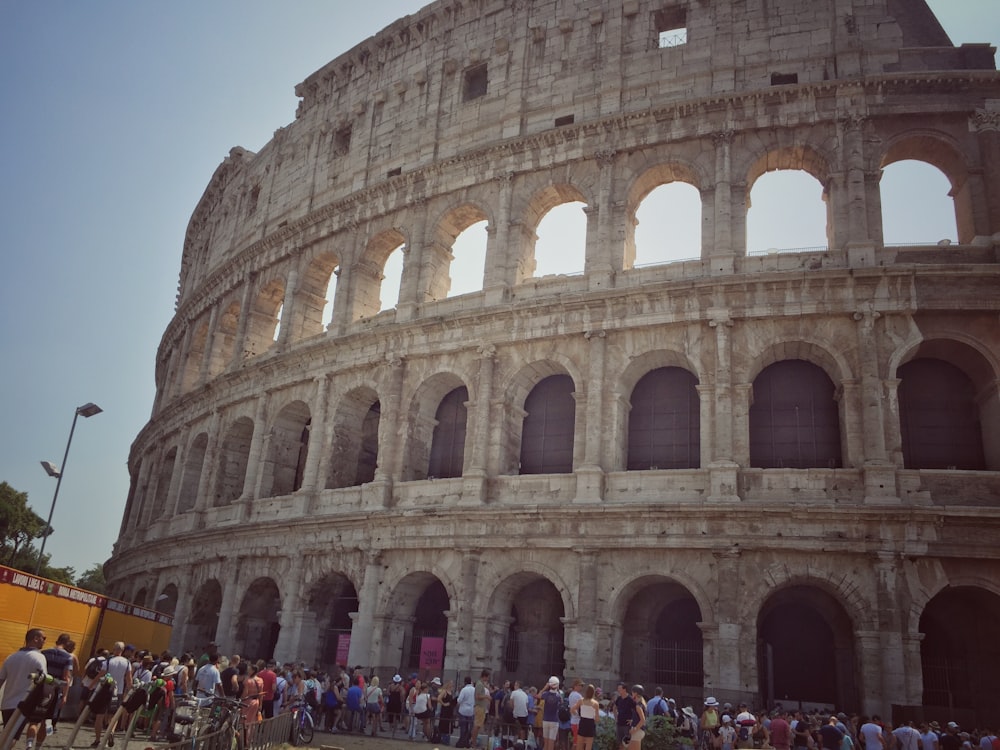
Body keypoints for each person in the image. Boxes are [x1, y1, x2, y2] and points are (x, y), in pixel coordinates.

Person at [0, 628, 50, 750]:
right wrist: (48, 695)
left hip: (7, 702)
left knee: (6, 734)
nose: (44, 641)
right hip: (24, 703)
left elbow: (1, 679)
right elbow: (44, 678)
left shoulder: (11, 657)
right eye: (43, 638)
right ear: (35, 638)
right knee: (13, 737)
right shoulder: (39, 657)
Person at [41, 633, 74, 729]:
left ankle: (30, 738)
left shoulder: (44, 652)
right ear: (67, 643)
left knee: (35, 717)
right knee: (48, 717)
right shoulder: (67, 657)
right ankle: (40, 740)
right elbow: (66, 677)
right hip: (55, 689)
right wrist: (65, 695)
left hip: (41, 686)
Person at [240, 662, 263, 742]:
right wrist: (260, 704)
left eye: (249, 670)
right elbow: (261, 694)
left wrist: (240, 700)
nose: (248, 671)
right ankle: (250, 739)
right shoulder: (260, 680)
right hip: (256, 701)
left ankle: (244, 740)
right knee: (252, 721)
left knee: (245, 721)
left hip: (247, 702)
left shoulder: (248, 681)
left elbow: (245, 693)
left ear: (253, 671)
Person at [572, 684, 600, 750]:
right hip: (590, 724)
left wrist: (578, 715)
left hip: (582, 723)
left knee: (579, 746)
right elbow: (597, 718)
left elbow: (572, 709)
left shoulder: (581, 701)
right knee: (588, 747)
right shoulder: (595, 703)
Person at [539, 676, 563, 750]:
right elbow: (562, 702)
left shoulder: (546, 694)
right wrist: (558, 689)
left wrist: (544, 688)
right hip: (554, 721)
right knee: (551, 743)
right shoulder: (558, 696)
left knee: (546, 743)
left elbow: (539, 695)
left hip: (546, 720)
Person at [473, 670, 492, 749]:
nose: (488, 679)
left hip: (481, 707)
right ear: (485, 676)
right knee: (477, 726)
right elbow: (477, 696)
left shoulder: (480, 684)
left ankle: (473, 742)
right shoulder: (480, 684)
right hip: (479, 707)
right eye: (487, 677)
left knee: (478, 725)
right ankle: (473, 743)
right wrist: (486, 696)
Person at [456, 676, 476, 748]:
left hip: (463, 711)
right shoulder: (474, 689)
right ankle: (467, 742)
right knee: (469, 728)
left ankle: (461, 742)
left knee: (463, 727)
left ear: (465, 682)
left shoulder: (464, 690)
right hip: (471, 711)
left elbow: (459, 700)